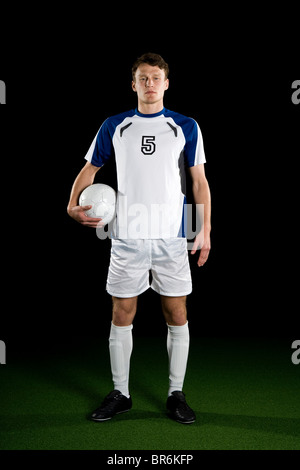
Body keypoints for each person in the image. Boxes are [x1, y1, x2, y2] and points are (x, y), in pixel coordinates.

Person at [67, 53, 211, 424]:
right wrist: (71, 205)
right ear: (133, 85)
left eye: (156, 78)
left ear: (166, 83)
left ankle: (176, 394)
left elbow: (199, 182)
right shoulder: (115, 125)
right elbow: (90, 169)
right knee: (122, 312)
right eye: (143, 78)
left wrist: (204, 229)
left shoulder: (185, 126)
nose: (150, 84)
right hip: (127, 235)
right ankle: (121, 393)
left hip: (172, 235)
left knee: (176, 313)